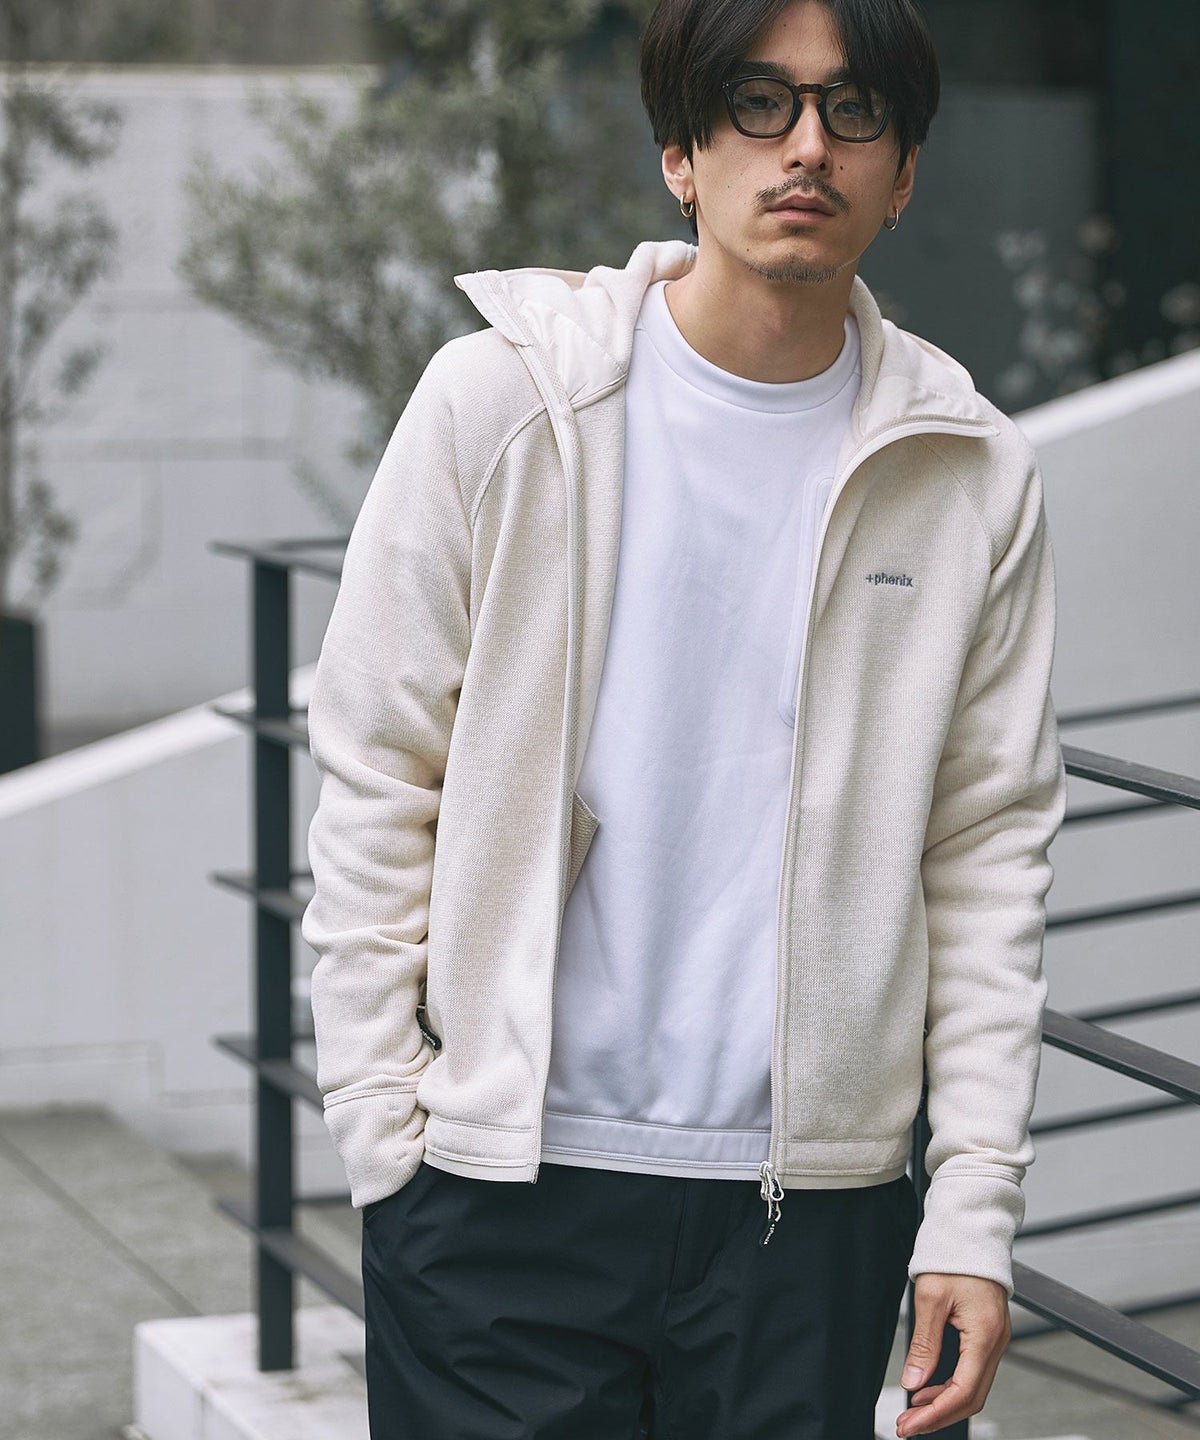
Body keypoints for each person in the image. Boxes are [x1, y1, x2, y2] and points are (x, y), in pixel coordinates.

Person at [300, 0, 1067, 1435]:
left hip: (811, 1216)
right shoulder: (505, 402)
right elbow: (378, 765)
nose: (806, 146)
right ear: (681, 154)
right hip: (500, 1187)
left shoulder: (969, 475)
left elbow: (987, 852)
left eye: (853, 111)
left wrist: (972, 1208)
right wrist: (381, 1123)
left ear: (903, 174)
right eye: (759, 103)